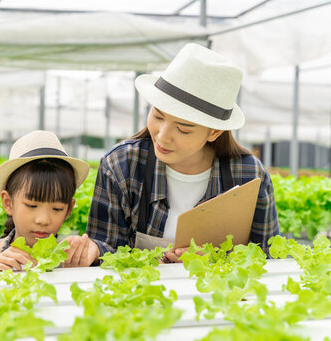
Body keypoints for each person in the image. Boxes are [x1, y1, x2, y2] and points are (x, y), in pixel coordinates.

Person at [65, 42, 280, 265]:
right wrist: (91, 250)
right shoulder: (122, 165)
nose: (162, 136)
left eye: (183, 129)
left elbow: (269, 256)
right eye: (158, 116)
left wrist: (217, 260)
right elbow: (105, 245)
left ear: (214, 132)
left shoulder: (249, 175)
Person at [0, 130, 90, 271]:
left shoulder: (73, 260)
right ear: (8, 203)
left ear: (69, 209)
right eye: (31, 205)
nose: (43, 220)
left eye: (57, 208)